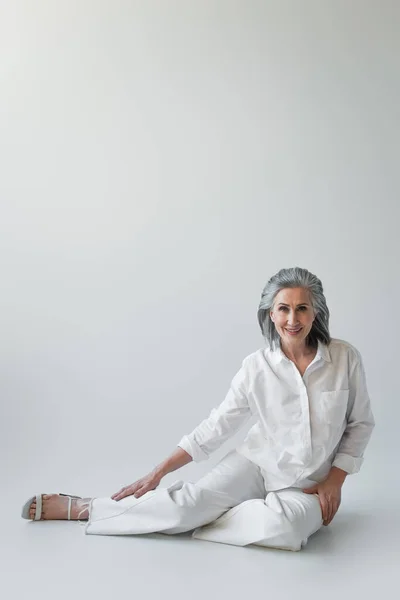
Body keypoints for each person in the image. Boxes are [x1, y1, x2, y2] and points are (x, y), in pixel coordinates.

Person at [21, 267, 375, 551]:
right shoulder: (255, 366)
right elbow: (218, 425)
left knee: (287, 528)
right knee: (186, 503)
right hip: (257, 463)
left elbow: (360, 425)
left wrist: (335, 479)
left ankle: (192, 516)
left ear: (316, 313)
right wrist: (159, 472)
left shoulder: (344, 358)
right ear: (270, 313)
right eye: (283, 308)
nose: (292, 319)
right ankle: (89, 508)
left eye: (302, 308)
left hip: (309, 485)